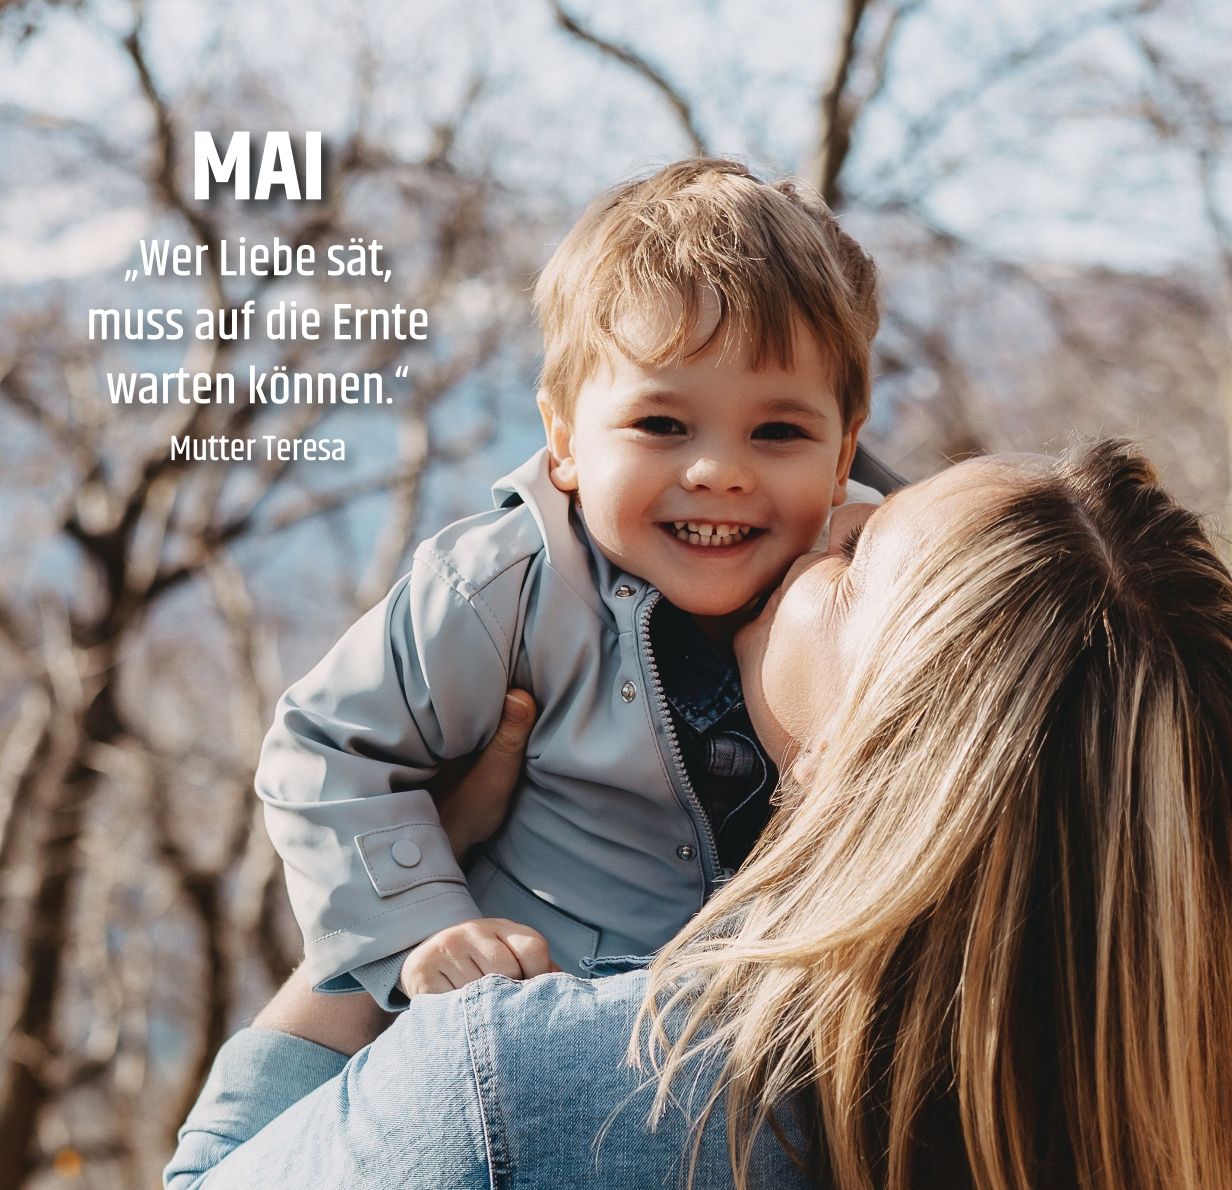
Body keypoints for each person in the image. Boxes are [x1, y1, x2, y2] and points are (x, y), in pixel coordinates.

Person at [167, 441, 1232, 1190]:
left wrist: (420, 880)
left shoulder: (531, 1092)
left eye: (861, 556)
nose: (820, 520)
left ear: (866, 765)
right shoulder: (1134, 1129)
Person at [255, 157, 885, 1010]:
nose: (718, 470)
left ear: (843, 454)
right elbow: (325, 747)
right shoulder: (502, 588)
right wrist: (425, 925)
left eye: (777, 430)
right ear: (564, 439)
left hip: (789, 1033)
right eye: (659, 423)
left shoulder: (880, 591)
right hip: (546, 1015)